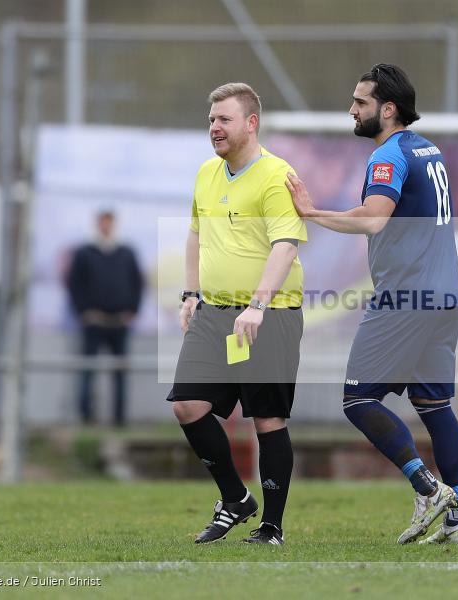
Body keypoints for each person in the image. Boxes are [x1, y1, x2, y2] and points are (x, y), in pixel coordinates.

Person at [286, 64, 458, 545]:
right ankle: (456, 520)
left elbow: (372, 221)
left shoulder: (387, 156)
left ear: (387, 109)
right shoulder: (428, 148)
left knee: (358, 397)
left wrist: (311, 213)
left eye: (360, 102)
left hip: (406, 297)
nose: (352, 109)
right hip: (445, 294)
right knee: (434, 404)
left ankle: (428, 489)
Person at [167, 82, 306, 546]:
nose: (214, 128)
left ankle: (272, 528)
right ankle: (235, 499)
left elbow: (286, 244)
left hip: (270, 314)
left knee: (266, 420)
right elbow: (194, 234)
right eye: (211, 120)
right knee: (188, 405)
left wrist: (257, 305)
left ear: (251, 123)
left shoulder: (276, 175)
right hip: (214, 313)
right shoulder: (207, 173)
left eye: (224, 119)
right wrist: (190, 293)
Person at [66, 210, 144, 427]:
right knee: (88, 371)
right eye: (103, 222)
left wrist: (132, 310)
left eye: (109, 222)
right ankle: (86, 417)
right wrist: (83, 312)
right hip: (94, 322)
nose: (106, 226)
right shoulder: (84, 253)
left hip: (119, 322)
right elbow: (74, 284)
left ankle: (119, 419)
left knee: (119, 372)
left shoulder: (126, 252)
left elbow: (137, 283)